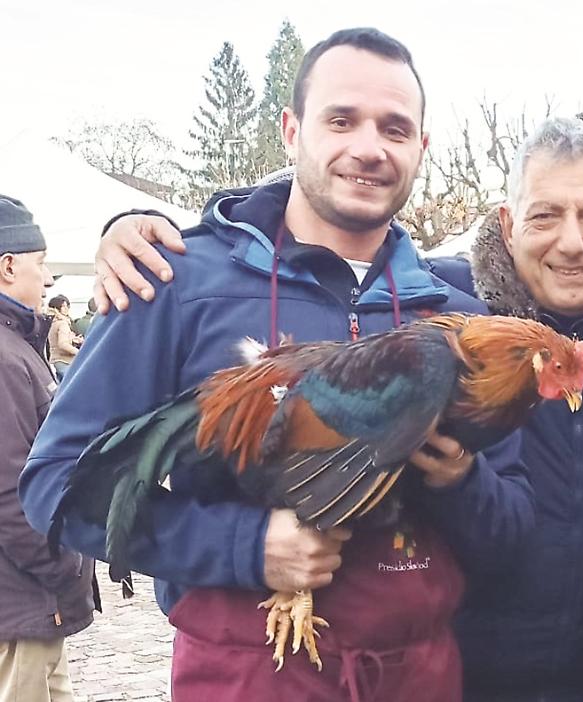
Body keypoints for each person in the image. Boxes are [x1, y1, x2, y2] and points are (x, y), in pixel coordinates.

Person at [60, 116, 583, 701]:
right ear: (508, 225)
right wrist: (133, 231)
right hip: (463, 667)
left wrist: (463, 478)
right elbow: (325, 236)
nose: (572, 242)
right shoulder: (440, 302)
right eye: (545, 216)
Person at [20, 28, 532, 702]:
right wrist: (244, 545)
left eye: (395, 128)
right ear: (291, 131)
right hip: (250, 675)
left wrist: (461, 482)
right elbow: (56, 484)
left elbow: (514, 528)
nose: (369, 147)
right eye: (341, 120)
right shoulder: (171, 281)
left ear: (421, 149)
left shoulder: (462, 319)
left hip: (420, 673)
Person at [0, 196, 96, 702]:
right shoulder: (3, 356)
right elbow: (10, 490)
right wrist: (64, 562)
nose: (50, 278)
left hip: (25, 598)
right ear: (8, 265)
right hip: (21, 597)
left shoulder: (16, 346)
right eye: (41, 264)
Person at [45, 295, 81, 380]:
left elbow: (54, 339)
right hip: (64, 360)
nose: (66, 308)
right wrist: (78, 352)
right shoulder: (62, 323)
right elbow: (62, 344)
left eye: (67, 306)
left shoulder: (52, 321)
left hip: (54, 360)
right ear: (56, 308)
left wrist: (73, 339)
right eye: (63, 306)